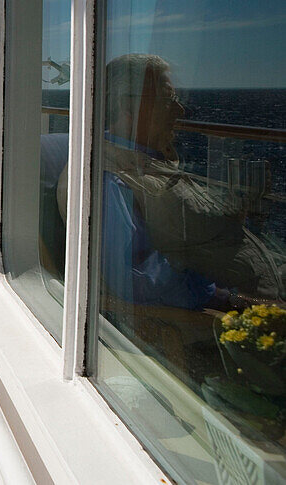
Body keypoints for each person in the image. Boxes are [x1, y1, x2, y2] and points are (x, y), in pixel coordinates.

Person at [57, 54, 284, 311]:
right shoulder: (108, 180)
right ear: (127, 109)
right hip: (249, 306)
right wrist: (232, 300)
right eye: (168, 101)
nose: (180, 110)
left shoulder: (147, 161)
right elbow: (137, 279)